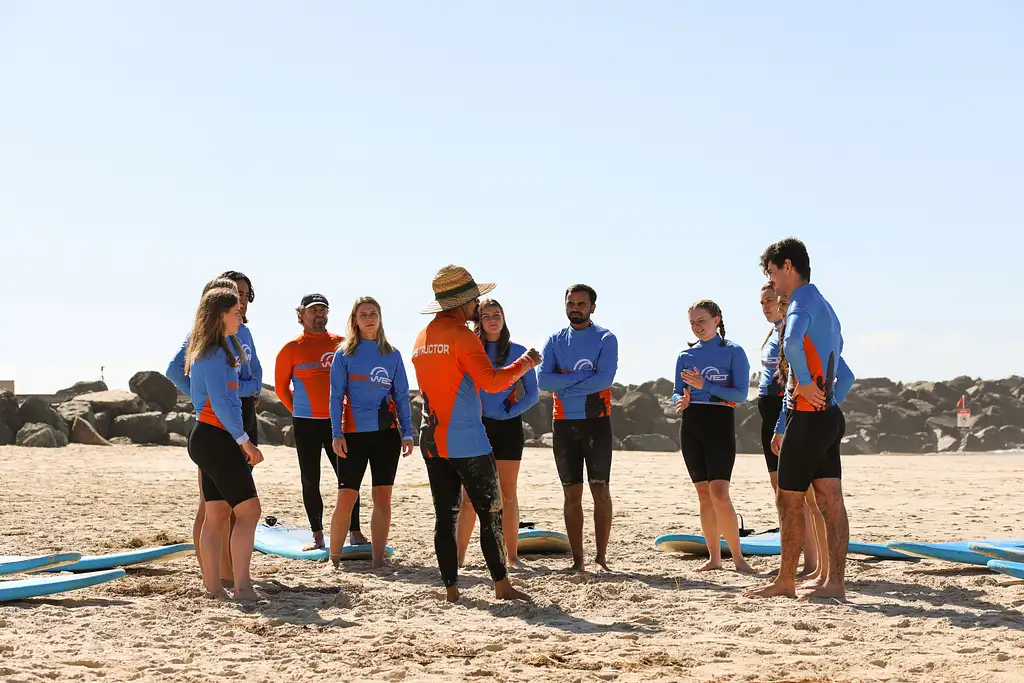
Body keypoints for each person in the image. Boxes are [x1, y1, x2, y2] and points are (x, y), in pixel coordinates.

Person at [411, 264, 540, 603]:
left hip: (431, 436)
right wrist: (525, 364)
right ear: (463, 303)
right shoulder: (463, 336)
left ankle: (451, 590)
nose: (477, 307)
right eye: (475, 301)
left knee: (445, 515)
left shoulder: (422, 337)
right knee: (490, 511)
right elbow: (492, 382)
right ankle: (502, 585)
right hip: (466, 438)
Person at [745, 237, 855, 601]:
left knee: (788, 500)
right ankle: (835, 584)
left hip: (807, 419)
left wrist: (806, 386)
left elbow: (791, 344)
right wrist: (826, 398)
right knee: (831, 500)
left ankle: (785, 581)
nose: (772, 281)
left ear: (788, 266)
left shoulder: (800, 303)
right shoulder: (826, 307)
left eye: (772, 272)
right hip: (827, 418)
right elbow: (844, 368)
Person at [167, 273, 260, 585]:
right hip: (218, 429)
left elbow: (247, 377)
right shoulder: (211, 344)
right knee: (233, 510)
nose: (242, 304)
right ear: (221, 309)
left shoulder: (231, 338)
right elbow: (215, 396)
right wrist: (204, 397)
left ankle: (220, 580)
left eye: (244, 296)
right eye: (236, 299)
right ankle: (230, 579)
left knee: (221, 509)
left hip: (222, 424)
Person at [328, 297, 414, 569]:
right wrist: (336, 432)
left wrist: (408, 432)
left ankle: (378, 560)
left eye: (373, 313)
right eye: (363, 314)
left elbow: (401, 396)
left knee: (383, 498)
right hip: (353, 435)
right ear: (355, 320)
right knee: (346, 498)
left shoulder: (393, 354)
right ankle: (334, 559)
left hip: (386, 435)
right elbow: (335, 397)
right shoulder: (344, 354)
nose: (369, 318)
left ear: (380, 317)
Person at [275, 293, 365, 551]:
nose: (319, 315)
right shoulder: (291, 348)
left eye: (323, 310)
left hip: (338, 423)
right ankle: (317, 535)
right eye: (313, 310)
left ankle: (355, 532)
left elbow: (355, 381)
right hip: (306, 424)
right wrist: (300, 412)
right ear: (301, 315)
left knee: (347, 478)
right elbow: (281, 388)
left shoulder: (342, 343)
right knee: (310, 479)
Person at [538, 284, 618, 573]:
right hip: (563, 424)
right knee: (571, 494)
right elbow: (544, 382)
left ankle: (601, 558)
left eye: (581, 304)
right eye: (571, 303)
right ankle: (577, 561)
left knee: (600, 490)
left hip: (597, 422)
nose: (575, 308)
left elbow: (604, 380)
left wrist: (567, 381)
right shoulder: (555, 340)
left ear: (592, 307)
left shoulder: (606, 339)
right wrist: (584, 376)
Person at [456, 299, 540, 568]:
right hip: (475, 428)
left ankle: (512, 556)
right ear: (478, 321)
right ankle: (458, 557)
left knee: (507, 495)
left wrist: (509, 413)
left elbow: (533, 394)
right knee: (468, 496)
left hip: (507, 428)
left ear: (503, 319)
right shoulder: (471, 350)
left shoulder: (518, 352)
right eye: (486, 316)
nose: (492, 319)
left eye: (497, 315)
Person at [672, 300, 753, 573]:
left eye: (702, 321)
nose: (697, 327)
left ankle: (739, 559)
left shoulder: (733, 351)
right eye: (693, 323)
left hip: (719, 422)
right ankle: (714, 558)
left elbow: (740, 394)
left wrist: (705, 385)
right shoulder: (685, 355)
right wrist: (680, 399)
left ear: (717, 320)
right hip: (692, 423)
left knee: (719, 493)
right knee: (704, 495)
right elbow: (676, 391)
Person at [759, 283, 824, 579]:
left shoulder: (794, 332)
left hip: (785, 411)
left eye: (772, 301)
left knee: (804, 493)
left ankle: (812, 562)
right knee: (781, 493)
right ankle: (796, 560)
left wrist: (782, 422)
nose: (767, 306)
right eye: (763, 302)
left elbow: (794, 381)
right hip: (770, 411)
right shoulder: (775, 332)